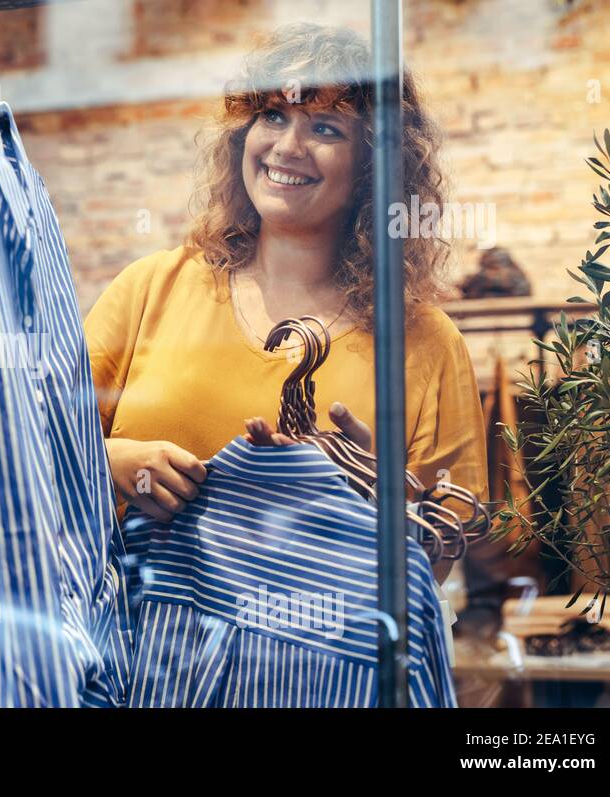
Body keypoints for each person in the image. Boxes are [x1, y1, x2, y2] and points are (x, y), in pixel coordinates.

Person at [84, 23, 486, 579]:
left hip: (319, 662)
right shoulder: (152, 287)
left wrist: (376, 503)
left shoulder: (424, 341)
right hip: (141, 654)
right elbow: (27, 443)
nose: (288, 147)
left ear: (375, 166)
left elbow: (441, 551)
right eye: (273, 116)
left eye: (325, 128)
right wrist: (109, 462)